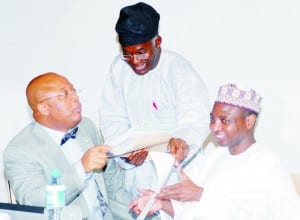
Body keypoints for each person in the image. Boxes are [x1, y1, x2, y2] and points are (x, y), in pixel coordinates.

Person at [130, 83, 300, 220]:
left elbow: (254, 214)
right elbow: (195, 212)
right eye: (212, 118)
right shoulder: (217, 156)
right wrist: (161, 203)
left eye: (225, 120)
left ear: (249, 121)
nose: (214, 127)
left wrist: (199, 194)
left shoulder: (264, 163)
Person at [99, 1, 210, 202]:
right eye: (128, 54)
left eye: (141, 52)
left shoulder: (179, 70)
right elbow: (112, 119)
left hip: (176, 175)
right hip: (137, 177)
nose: (135, 61)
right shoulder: (118, 69)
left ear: (157, 42)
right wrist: (126, 150)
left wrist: (181, 140)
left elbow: (195, 117)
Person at [3, 72, 135, 220]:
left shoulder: (87, 126)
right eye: (64, 95)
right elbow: (34, 201)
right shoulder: (20, 150)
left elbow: (113, 186)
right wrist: (81, 169)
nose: (76, 98)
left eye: (73, 91)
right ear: (44, 108)